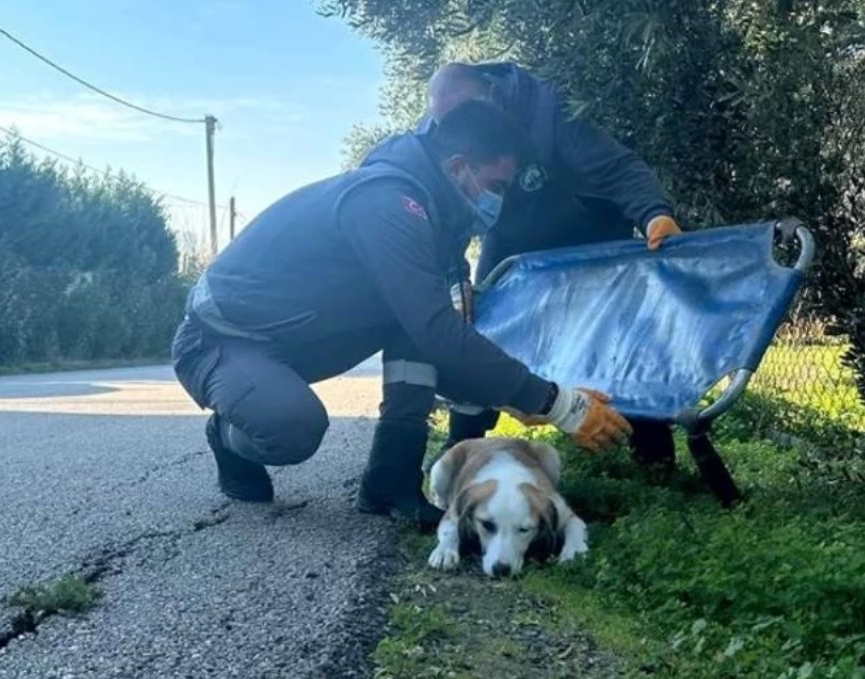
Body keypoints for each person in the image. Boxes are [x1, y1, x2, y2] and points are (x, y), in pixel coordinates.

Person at [171, 100, 632, 530]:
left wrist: (526, 399)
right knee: (294, 428)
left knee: (417, 327)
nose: (501, 202)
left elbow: (440, 345)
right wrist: (557, 403)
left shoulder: (438, 227)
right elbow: (436, 331)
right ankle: (228, 433)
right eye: (497, 187)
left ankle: (389, 482)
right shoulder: (389, 204)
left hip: (296, 343)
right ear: (457, 167)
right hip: (219, 339)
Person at [422, 62, 683, 468]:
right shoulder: (440, 132)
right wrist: (455, 280)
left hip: (591, 236)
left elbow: (616, 166)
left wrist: (653, 213)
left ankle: (654, 451)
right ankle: (461, 444)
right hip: (512, 243)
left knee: (621, 341)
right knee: (480, 322)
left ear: (489, 94)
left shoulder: (546, 111)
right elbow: (448, 211)